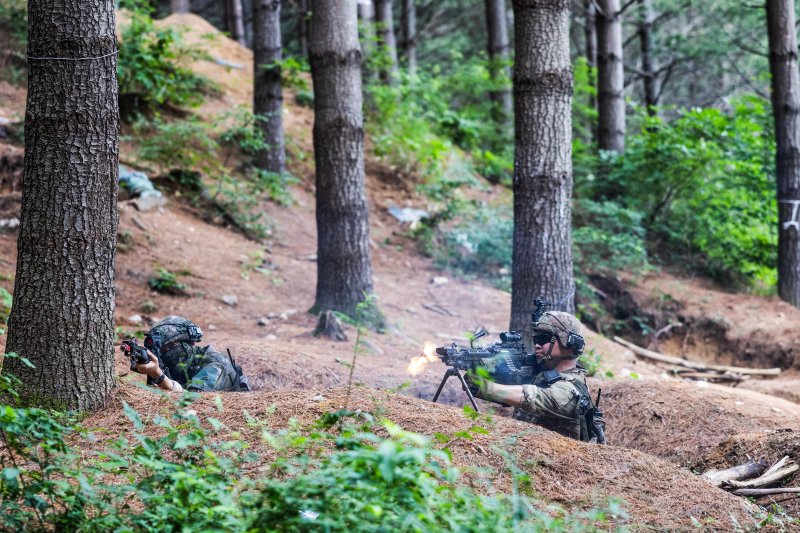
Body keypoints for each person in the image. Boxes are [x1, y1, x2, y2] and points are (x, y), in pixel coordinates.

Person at [467, 311, 605, 443]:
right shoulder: (542, 374)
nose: (537, 345)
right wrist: (481, 366)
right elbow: (511, 389)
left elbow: (531, 397)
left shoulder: (570, 390)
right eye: (535, 339)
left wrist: (486, 387)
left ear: (568, 342)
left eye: (543, 339)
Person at [131, 315, 249, 393]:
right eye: (159, 351)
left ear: (189, 345)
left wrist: (160, 377)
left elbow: (193, 403)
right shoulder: (185, 366)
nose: (163, 355)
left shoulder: (215, 366)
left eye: (169, 348)